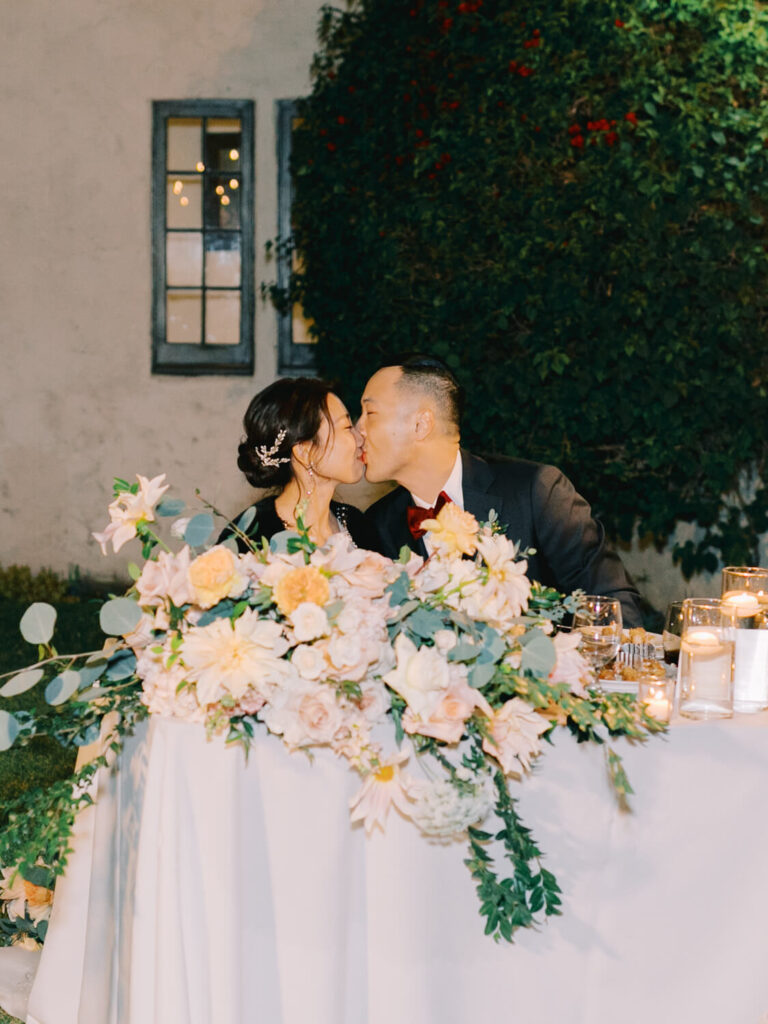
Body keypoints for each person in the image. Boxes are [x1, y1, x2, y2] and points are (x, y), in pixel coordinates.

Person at [358, 357, 643, 627]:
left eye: (369, 413)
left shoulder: (535, 491)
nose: (359, 430)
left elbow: (613, 606)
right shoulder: (379, 525)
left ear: (421, 425)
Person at [222, 377, 379, 550]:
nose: (360, 439)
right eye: (347, 427)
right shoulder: (249, 538)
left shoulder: (358, 525)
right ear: (304, 451)